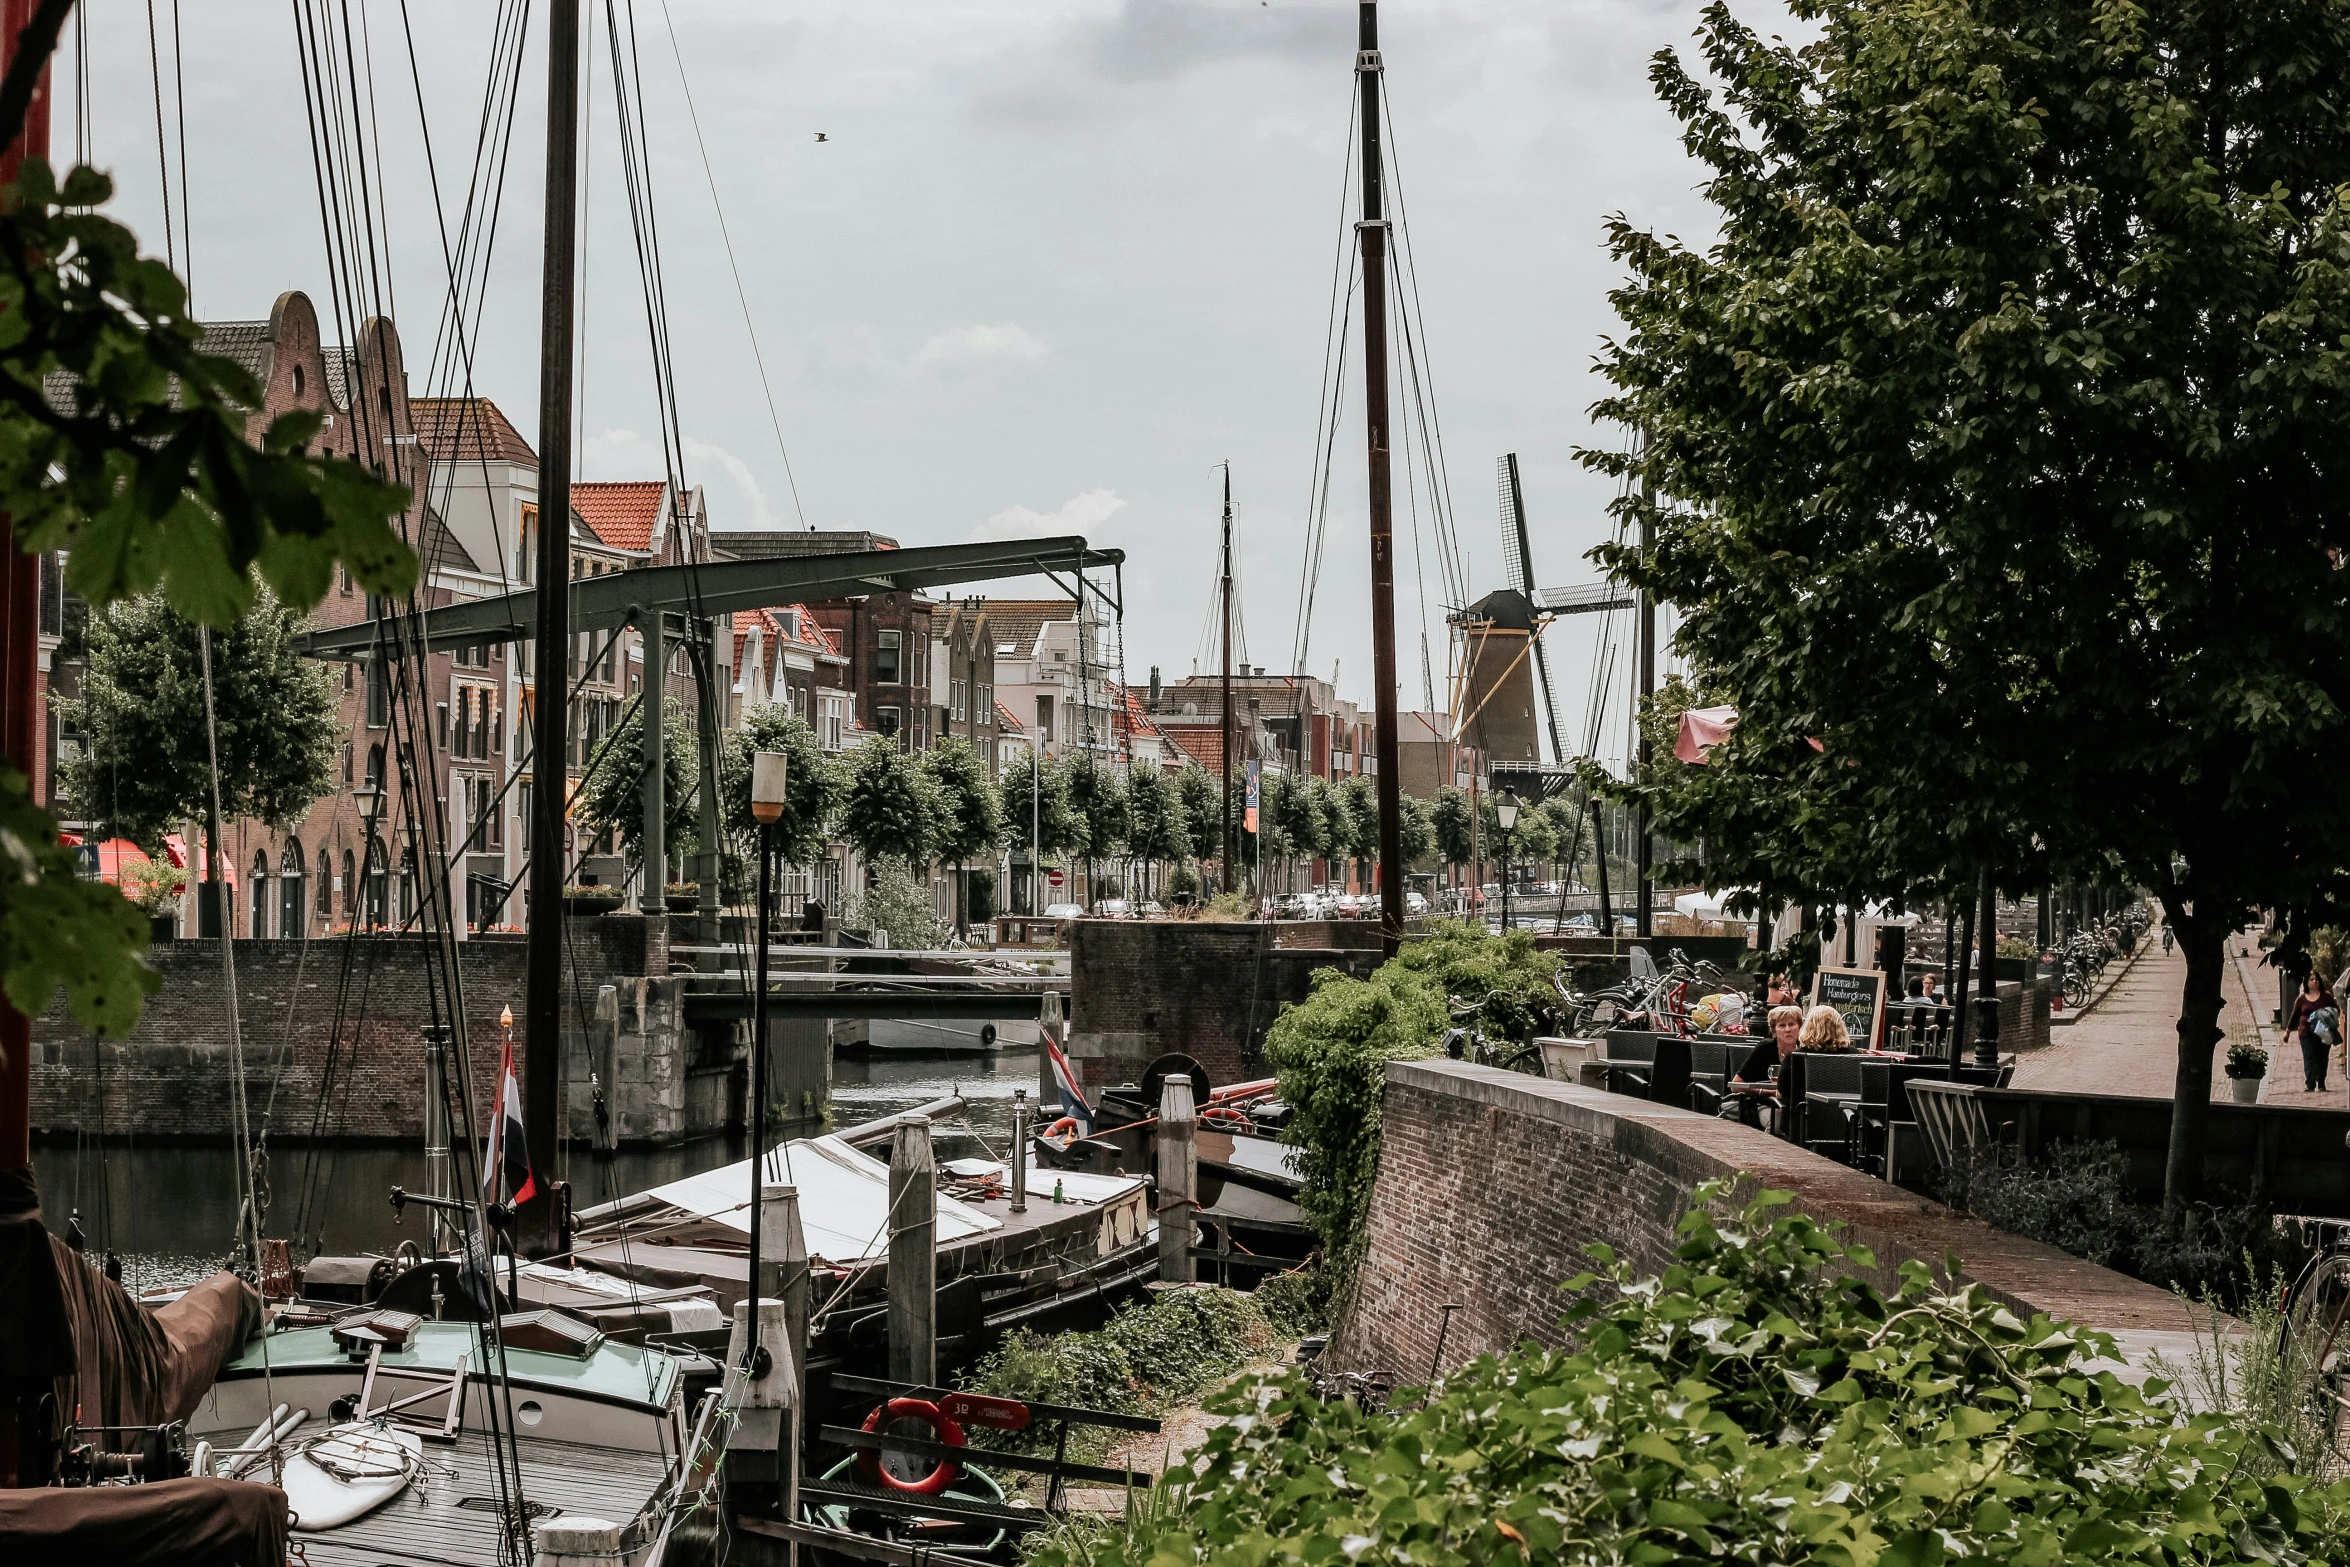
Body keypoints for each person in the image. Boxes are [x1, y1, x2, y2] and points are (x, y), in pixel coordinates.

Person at [2288, 972, 2337, 1094]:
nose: (2314, 982)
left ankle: (2321, 1082)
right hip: (2306, 1033)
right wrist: (2287, 1032)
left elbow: (2335, 1010)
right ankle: (2310, 1083)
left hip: (2323, 1033)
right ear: (2307, 983)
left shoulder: (2326, 996)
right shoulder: (2301, 999)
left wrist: (2330, 1021)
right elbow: (2295, 1016)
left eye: (2316, 979)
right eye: (2311, 980)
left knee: (2322, 1057)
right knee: (2309, 1057)